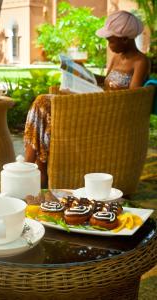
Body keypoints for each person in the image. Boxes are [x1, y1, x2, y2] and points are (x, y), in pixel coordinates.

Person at [24, 10, 150, 187]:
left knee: (44, 103)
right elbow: (105, 81)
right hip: (95, 105)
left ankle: (29, 169)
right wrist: (82, 73)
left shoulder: (140, 61)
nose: (108, 43)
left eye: (110, 39)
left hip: (109, 116)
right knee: (42, 105)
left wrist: (109, 92)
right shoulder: (116, 58)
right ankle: (38, 165)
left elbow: (132, 100)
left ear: (124, 39)